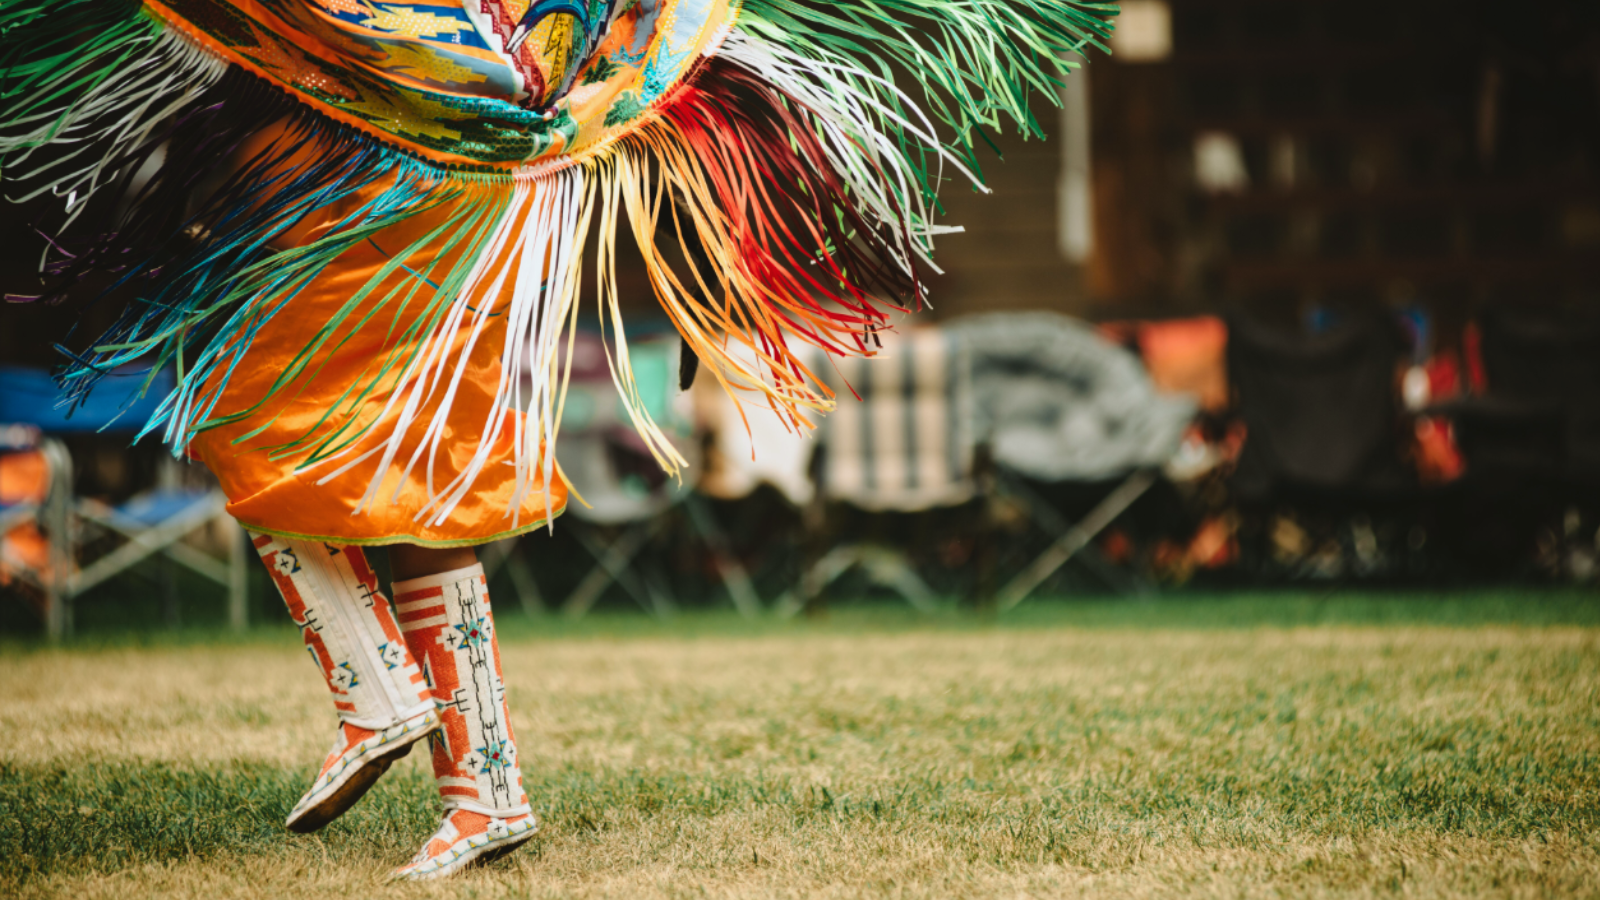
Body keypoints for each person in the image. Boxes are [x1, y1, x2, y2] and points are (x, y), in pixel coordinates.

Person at [0, 0, 1114, 880]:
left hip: (370, 152)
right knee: (422, 467)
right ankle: (483, 796)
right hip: (492, 172)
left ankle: (374, 689)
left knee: (244, 405)